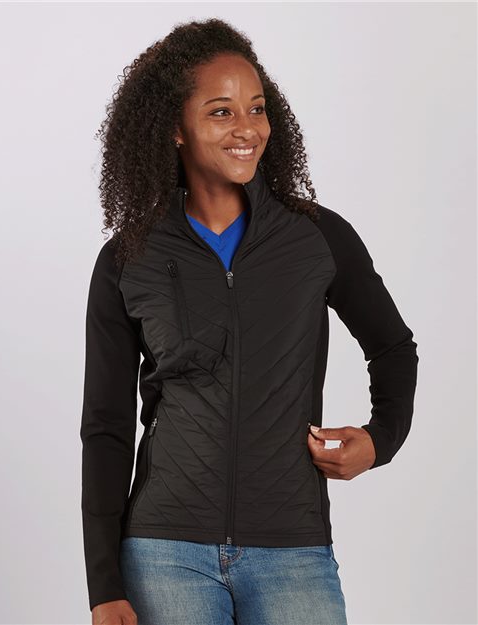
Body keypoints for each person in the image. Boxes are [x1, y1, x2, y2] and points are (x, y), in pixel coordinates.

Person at [79, 17, 419, 625]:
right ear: (175, 128)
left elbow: (393, 346)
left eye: (257, 108)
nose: (248, 129)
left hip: (293, 549)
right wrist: (104, 586)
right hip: (164, 552)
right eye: (221, 112)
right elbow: (106, 428)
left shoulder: (317, 238)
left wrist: (381, 438)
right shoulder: (130, 257)